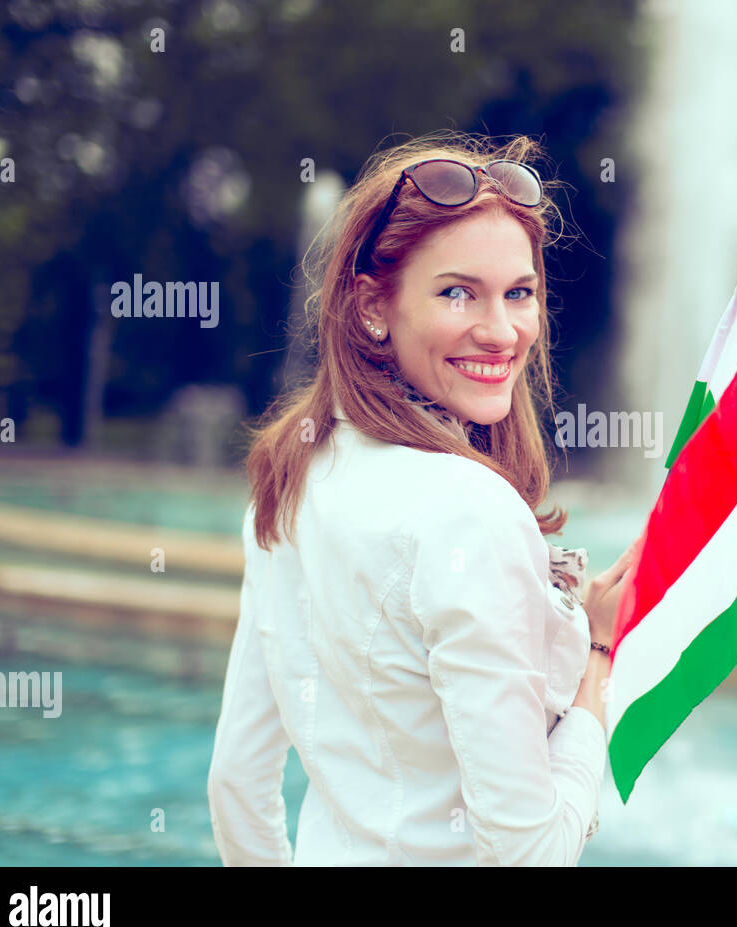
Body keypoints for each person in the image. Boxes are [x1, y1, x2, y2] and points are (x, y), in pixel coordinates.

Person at [207, 132, 642, 866]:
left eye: (519, 293)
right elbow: (530, 849)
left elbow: (236, 785)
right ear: (373, 306)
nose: (502, 331)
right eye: (456, 292)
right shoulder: (467, 508)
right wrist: (598, 658)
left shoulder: (291, 474)